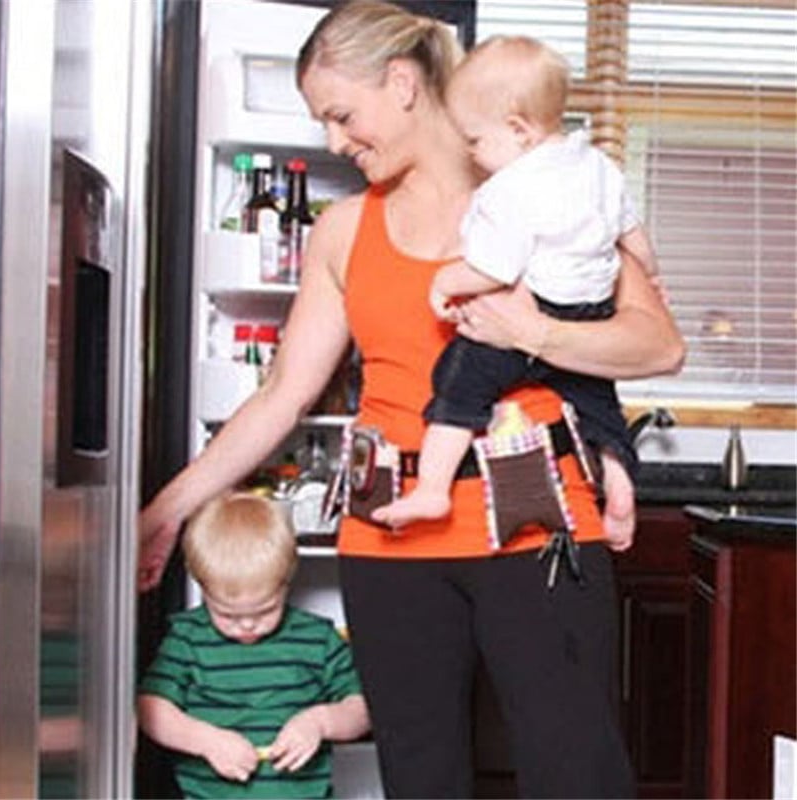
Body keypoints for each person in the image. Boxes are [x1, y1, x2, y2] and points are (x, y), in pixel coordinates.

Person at [138, 1, 685, 797]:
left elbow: (658, 345)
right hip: (387, 534)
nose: (335, 141)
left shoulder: (542, 192)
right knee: (420, 775)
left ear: (401, 83)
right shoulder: (342, 230)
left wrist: (533, 331)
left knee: (577, 772)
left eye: (341, 115)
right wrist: (167, 510)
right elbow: (282, 395)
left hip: (534, 523)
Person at [371, 35, 658, 547]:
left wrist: (445, 280)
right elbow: (633, 235)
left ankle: (432, 488)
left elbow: (495, 268)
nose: (472, 154)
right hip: (590, 312)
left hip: (534, 308)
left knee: (458, 383)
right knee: (598, 405)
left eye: (476, 141)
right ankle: (617, 478)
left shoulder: (509, 189)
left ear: (519, 130)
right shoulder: (599, 166)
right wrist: (651, 276)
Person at [137, 492, 369, 799]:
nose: (247, 625)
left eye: (265, 611)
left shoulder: (317, 638)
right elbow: (151, 709)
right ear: (202, 587)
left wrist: (320, 722)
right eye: (227, 615)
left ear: (285, 583)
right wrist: (206, 741)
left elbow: (362, 708)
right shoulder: (188, 638)